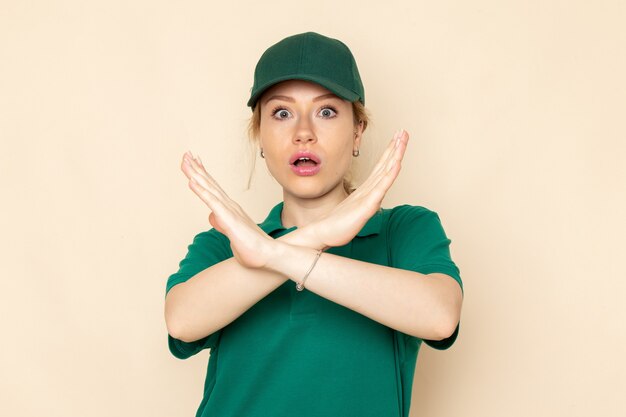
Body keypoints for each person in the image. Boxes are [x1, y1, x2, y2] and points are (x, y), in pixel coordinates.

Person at [164, 32, 464, 417]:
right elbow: (181, 321)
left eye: (326, 112)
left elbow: (439, 317)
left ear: (357, 131)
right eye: (282, 113)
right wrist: (317, 237)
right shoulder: (225, 241)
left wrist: (271, 254)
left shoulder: (403, 230)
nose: (303, 132)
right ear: (259, 135)